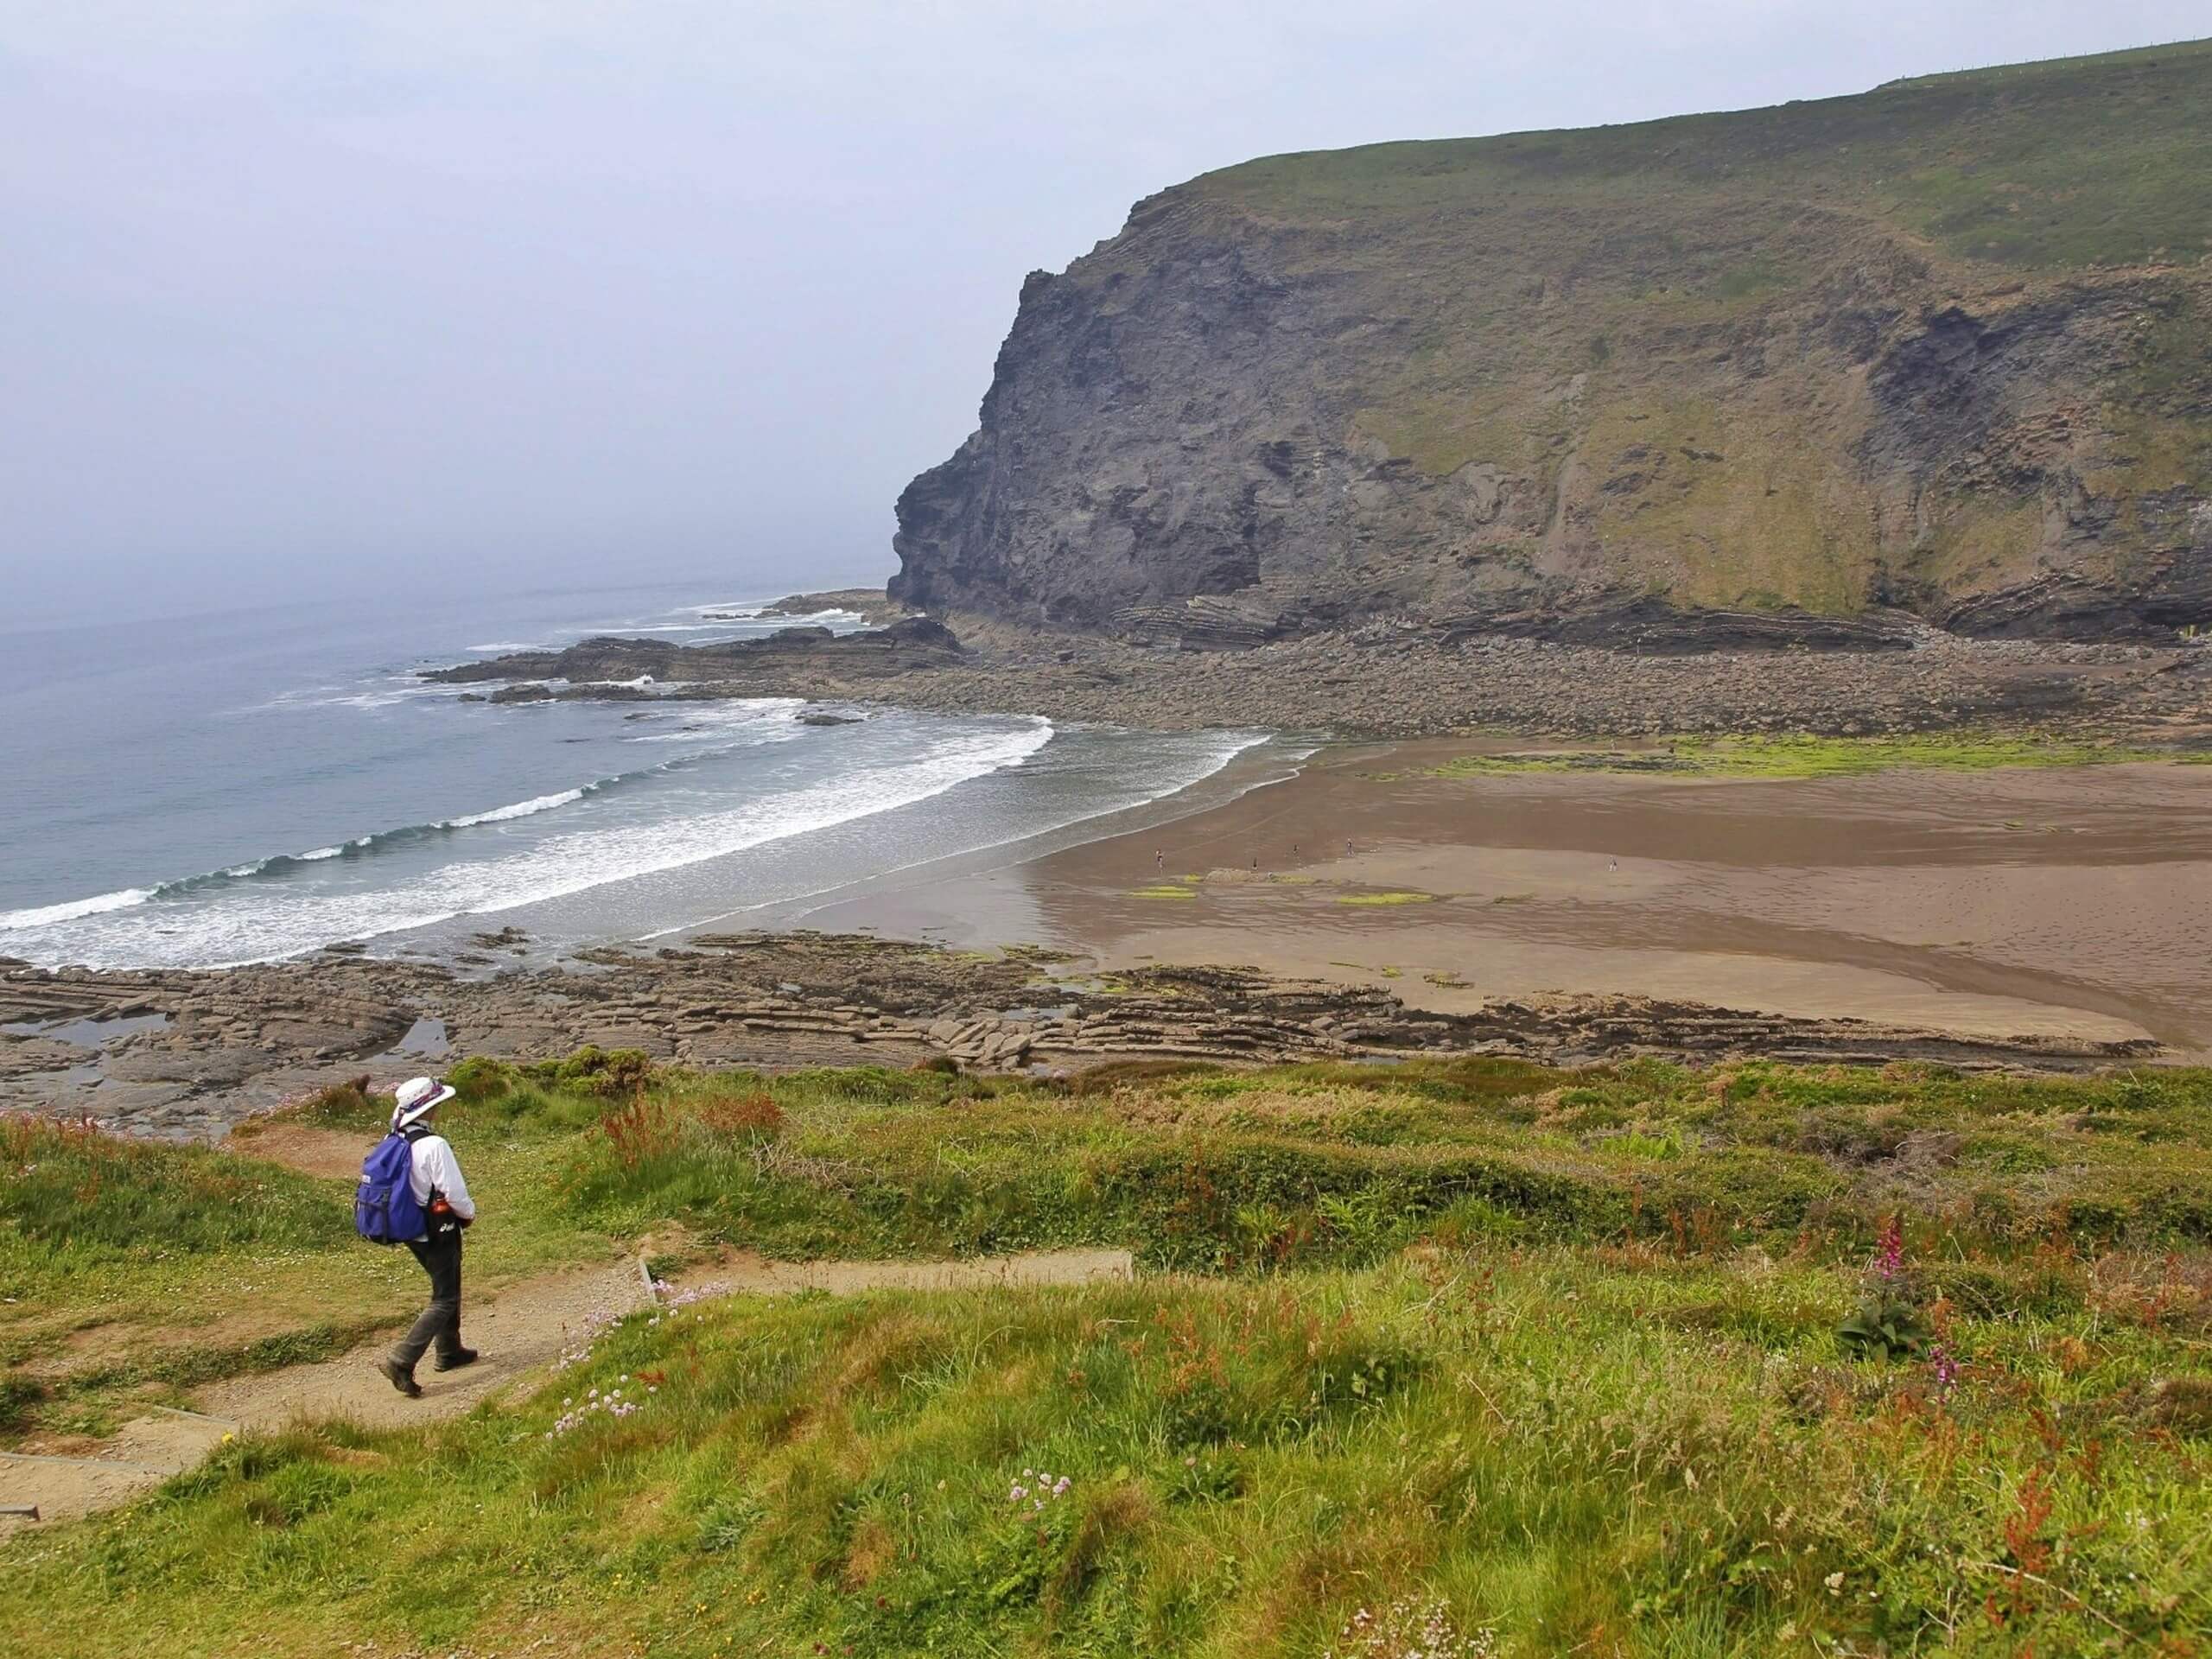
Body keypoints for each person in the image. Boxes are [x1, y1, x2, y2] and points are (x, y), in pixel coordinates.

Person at [377, 1076, 478, 1396]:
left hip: (411, 1228)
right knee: (444, 1298)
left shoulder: (395, 1137)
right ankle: (401, 1361)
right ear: (429, 1108)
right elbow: (455, 1192)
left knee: (446, 1283)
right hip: (437, 1228)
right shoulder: (434, 1145)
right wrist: (469, 1214)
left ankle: (450, 1351)